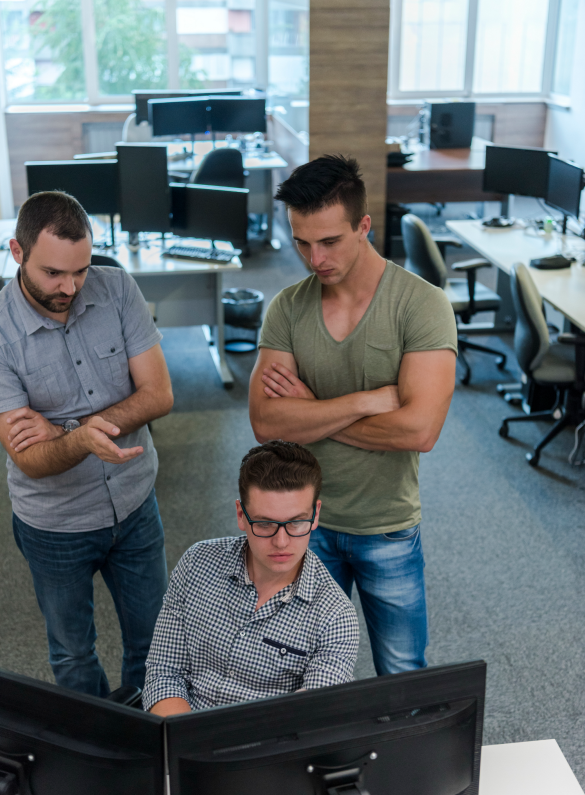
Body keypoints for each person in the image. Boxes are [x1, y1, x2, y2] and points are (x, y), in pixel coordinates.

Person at [248, 155, 458, 676]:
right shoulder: (287, 308)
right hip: (302, 526)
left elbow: (420, 430)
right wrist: (365, 400)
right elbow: (267, 424)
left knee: (402, 672)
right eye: (301, 242)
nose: (314, 258)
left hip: (385, 525)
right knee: (296, 674)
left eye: (329, 241)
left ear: (364, 226)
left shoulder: (421, 305)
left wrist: (309, 408)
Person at [0, 191, 174, 697]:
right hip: (55, 524)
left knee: (155, 644)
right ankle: (97, 763)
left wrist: (69, 431)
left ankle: (145, 749)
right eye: (53, 274)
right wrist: (84, 438)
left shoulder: (116, 288)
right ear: (18, 252)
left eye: (81, 270)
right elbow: (31, 461)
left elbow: (159, 394)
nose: (70, 287)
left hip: (135, 504)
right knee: (72, 654)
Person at [143, 440, 359, 715]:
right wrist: (186, 746)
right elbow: (164, 672)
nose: (281, 542)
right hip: (181, 734)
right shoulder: (197, 563)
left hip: (264, 747)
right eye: (265, 524)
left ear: (315, 515)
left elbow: (305, 718)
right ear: (241, 515)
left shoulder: (336, 616)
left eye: (295, 522)